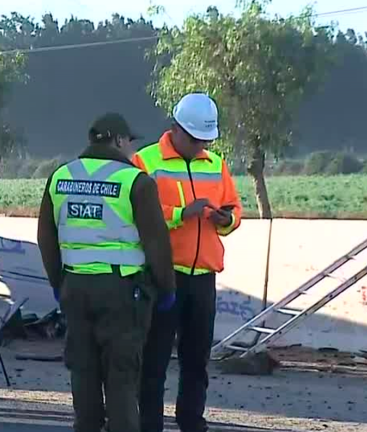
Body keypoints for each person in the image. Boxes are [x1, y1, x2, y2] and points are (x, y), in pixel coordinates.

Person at [37, 113, 177, 432]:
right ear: (117, 141)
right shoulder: (135, 181)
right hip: (122, 293)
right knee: (122, 378)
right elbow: (156, 243)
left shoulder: (60, 177)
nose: (132, 150)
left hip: (75, 287)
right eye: (130, 142)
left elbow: (46, 237)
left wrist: (59, 283)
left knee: (83, 373)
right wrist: (166, 289)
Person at [133, 93, 242, 432]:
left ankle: (191, 421)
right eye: (196, 140)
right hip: (164, 276)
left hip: (203, 277)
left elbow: (236, 210)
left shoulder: (216, 164)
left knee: (197, 360)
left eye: (205, 141)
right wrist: (181, 214)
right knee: (155, 360)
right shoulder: (145, 161)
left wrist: (225, 219)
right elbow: (138, 216)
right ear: (177, 129)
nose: (200, 147)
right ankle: (149, 424)